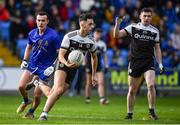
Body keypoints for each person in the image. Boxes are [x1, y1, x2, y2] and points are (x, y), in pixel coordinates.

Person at [38, 12, 98, 121]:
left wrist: (94, 75)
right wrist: (66, 64)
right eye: (90, 24)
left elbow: (94, 57)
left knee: (55, 94)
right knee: (59, 89)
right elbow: (60, 55)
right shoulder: (70, 36)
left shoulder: (91, 41)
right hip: (63, 63)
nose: (92, 26)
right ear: (82, 24)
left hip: (74, 68)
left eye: (92, 24)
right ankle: (44, 114)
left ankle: (39, 84)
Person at [113, 8, 164, 120]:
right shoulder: (133, 27)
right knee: (132, 90)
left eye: (149, 16)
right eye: (145, 15)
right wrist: (117, 24)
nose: (147, 18)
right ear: (140, 16)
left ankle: (151, 110)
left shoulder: (155, 31)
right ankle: (130, 113)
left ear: (151, 17)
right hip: (135, 62)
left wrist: (160, 63)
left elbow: (157, 48)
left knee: (151, 85)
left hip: (148, 61)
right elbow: (116, 35)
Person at [16, 11, 61, 119]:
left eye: (43, 21)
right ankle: (26, 101)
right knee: (21, 86)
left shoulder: (54, 36)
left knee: (37, 95)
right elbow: (28, 47)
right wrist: (25, 60)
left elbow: (60, 54)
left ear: (47, 21)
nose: (41, 23)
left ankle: (31, 112)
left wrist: (53, 66)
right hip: (33, 63)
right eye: (39, 20)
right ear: (36, 21)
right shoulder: (32, 33)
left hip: (46, 67)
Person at [85, 28, 110, 104]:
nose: (98, 35)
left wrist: (106, 65)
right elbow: (85, 54)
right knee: (88, 83)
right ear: (94, 33)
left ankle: (102, 99)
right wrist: (83, 64)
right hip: (89, 64)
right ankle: (88, 98)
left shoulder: (102, 44)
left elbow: (104, 55)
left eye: (99, 34)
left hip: (98, 65)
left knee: (101, 82)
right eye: (97, 33)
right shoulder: (89, 42)